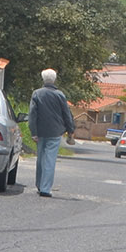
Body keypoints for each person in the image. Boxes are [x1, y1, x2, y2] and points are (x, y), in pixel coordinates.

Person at [26, 68, 74, 196]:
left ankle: (39, 184)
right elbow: (66, 114)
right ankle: (45, 188)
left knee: (41, 158)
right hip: (55, 132)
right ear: (54, 79)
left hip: (40, 131)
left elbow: (32, 114)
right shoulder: (60, 95)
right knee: (50, 160)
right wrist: (70, 131)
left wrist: (33, 132)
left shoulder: (37, 94)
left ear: (43, 79)